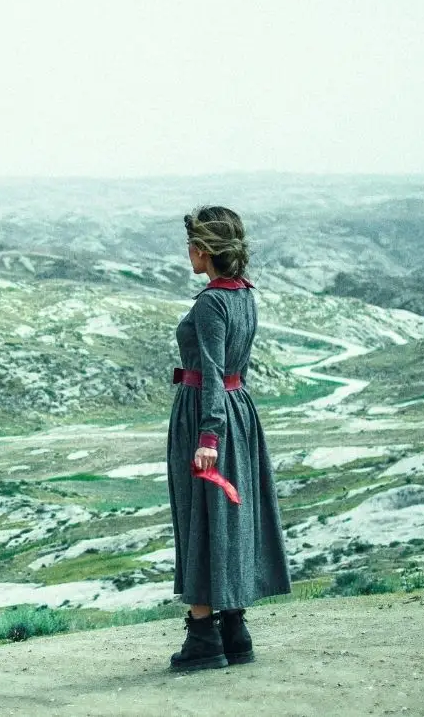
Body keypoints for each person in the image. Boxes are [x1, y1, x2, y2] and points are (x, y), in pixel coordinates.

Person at [167, 205, 291, 672]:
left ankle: (203, 635)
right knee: (227, 518)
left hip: (207, 416)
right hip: (239, 413)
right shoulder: (244, 296)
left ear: (204, 250)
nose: (188, 252)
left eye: (191, 244)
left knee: (198, 515)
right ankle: (234, 629)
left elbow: (214, 374)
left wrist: (207, 438)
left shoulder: (210, 303)